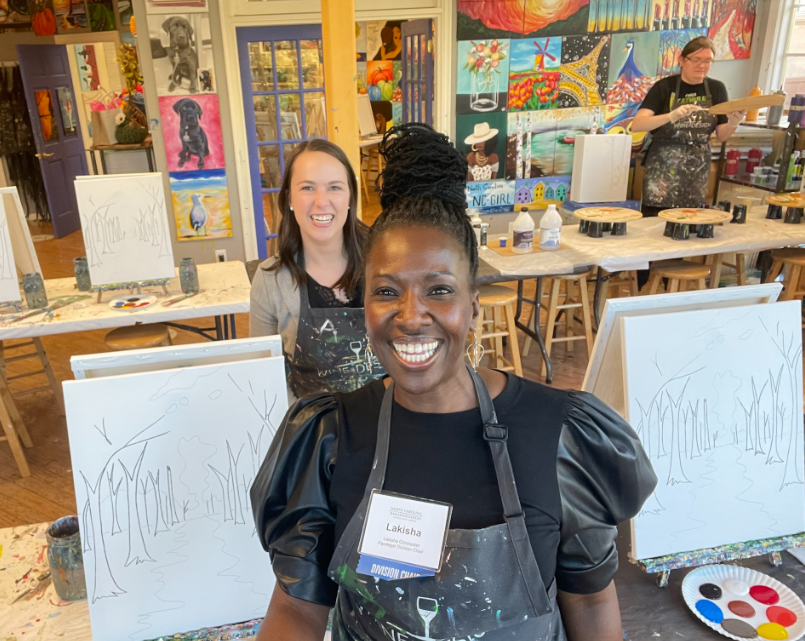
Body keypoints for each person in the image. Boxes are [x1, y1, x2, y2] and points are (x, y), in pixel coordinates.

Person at [251, 124, 657, 641]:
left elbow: (594, 606)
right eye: (386, 291)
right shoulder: (330, 440)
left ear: (473, 308)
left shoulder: (560, 436)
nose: (411, 315)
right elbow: (298, 612)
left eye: (438, 290)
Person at [249, 139, 379, 401]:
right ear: (289, 199)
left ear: (350, 197)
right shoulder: (270, 280)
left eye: (334, 187)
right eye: (308, 188)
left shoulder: (386, 264)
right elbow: (262, 375)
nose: (322, 201)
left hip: (388, 429)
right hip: (312, 434)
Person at [630, 37, 746, 214]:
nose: (702, 65)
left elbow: (722, 135)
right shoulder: (664, 87)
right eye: (696, 60)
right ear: (682, 60)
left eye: (707, 61)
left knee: (689, 222)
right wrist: (670, 116)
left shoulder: (717, 89)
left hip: (696, 171)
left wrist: (733, 123)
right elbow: (637, 125)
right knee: (655, 226)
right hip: (663, 170)